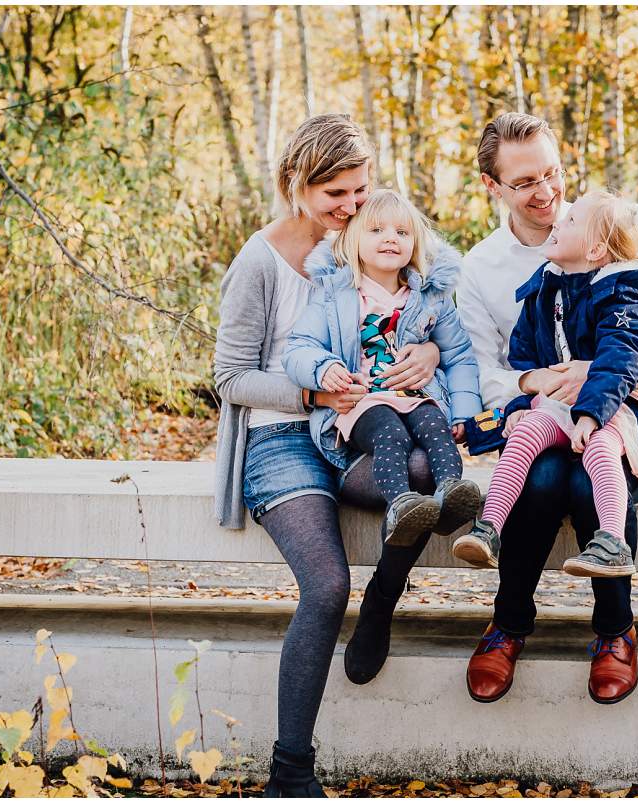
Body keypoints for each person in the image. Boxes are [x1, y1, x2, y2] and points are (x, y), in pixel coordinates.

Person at [213, 114, 443, 797]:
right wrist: (312, 391)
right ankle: (290, 772)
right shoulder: (258, 262)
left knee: (432, 478)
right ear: (295, 185)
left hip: (362, 429)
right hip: (281, 439)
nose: (349, 208)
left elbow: (432, 306)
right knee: (324, 585)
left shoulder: (373, 238)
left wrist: (427, 351)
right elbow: (229, 378)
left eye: (359, 190)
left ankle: (384, 601)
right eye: (333, 195)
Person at [455, 112, 638, 705]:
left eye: (552, 173)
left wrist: (601, 373)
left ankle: (615, 631)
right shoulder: (481, 270)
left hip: (626, 414)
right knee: (541, 477)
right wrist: (540, 378)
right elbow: (486, 375)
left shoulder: (620, 238)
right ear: (493, 187)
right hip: (540, 419)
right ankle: (509, 623)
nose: (546, 193)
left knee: (587, 483)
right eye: (525, 182)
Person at [452, 191, 638, 579]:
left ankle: (612, 543)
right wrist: (521, 408)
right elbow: (524, 358)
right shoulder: (544, 288)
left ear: (595, 248)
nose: (558, 221)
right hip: (558, 402)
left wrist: (590, 415)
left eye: (571, 222)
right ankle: (489, 529)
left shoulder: (624, 292)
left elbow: (622, 360)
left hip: (613, 404)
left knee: (601, 448)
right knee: (525, 433)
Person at [284, 188, 483, 550]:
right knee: (390, 432)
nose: (390, 238)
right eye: (376, 231)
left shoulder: (429, 297)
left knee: (434, 424)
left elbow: (459, 355)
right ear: (352, 241)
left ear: (415, 244)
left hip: (415, 394)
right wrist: (324, 368)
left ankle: (453, 493)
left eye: (402, 233)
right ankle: (401, 505)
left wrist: (466, 413)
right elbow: (298, 347)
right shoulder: (335, 294)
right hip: (364, 400)